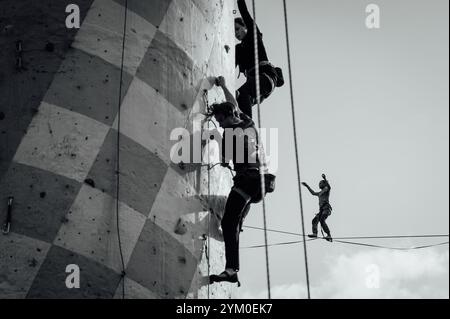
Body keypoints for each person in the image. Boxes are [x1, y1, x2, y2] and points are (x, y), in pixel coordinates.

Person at [207, 76, 275, 286]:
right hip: (260, 182)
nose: (219, 123)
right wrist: (225, 86)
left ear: (227, 117)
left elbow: (226, 157)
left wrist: (216, 141)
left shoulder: (232, 134)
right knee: (234, 217)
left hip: (248, 180)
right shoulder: (246, 121)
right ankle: (239, 226)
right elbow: (233, 103)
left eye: (220, 120)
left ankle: (231, 270)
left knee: (228, 222)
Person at [234, 0, 282, 118]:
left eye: (237, 29)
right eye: (233, 32)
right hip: (257, 83)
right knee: (236, 100)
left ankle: (247, 126)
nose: (235, 33)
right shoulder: (239, 49)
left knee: (242, 94)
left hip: (266, 77)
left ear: (245, 26)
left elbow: (244, 11)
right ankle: (241, 130)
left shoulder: (253, 35)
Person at [302, 174, 333, 242]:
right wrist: (307, 186)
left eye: (320, 183)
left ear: (324, 184)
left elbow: (329, 187)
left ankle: (329, 235)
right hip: (321, 210)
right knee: (314, 220)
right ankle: (315, 233)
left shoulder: (326, 189)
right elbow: (313, 193)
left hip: (326, 208)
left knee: (322, 220)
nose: (319, 184)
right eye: (319, 183)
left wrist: (325, 179)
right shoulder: (319, 193)